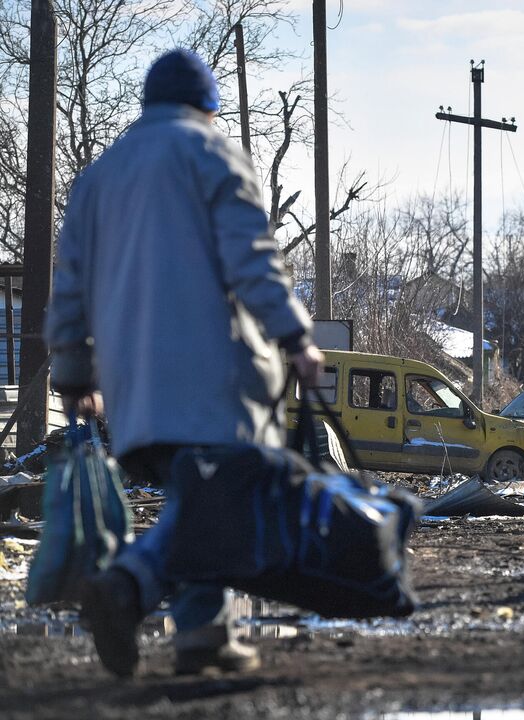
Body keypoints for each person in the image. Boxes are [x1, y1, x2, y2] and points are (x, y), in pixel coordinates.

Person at [45, 50, 323, 678]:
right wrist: (294, 336)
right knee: (221, 501)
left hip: (132, 387)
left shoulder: (99, 177)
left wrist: (73, 370)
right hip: (214, 378)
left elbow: (69, 287)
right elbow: (251, 258)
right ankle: (129, 587)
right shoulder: (211, 154)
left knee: (197, 501)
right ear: (208, 107)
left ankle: (203, 635)